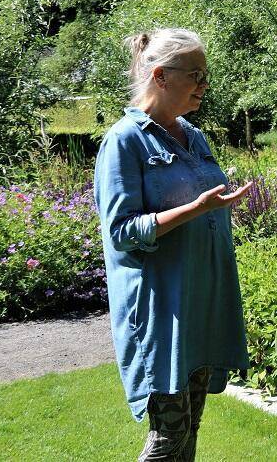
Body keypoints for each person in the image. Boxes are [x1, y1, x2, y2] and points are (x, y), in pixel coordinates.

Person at [93, 28, 253, 461]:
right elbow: (122, 232)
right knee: (168, 437)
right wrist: (195, 210)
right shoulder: (124, 143)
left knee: (189, 429)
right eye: (195, 75)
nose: (204, 85)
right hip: (162, 313)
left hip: (200, 303)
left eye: (206, 75)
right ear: (161, 76)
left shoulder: (191, 135)